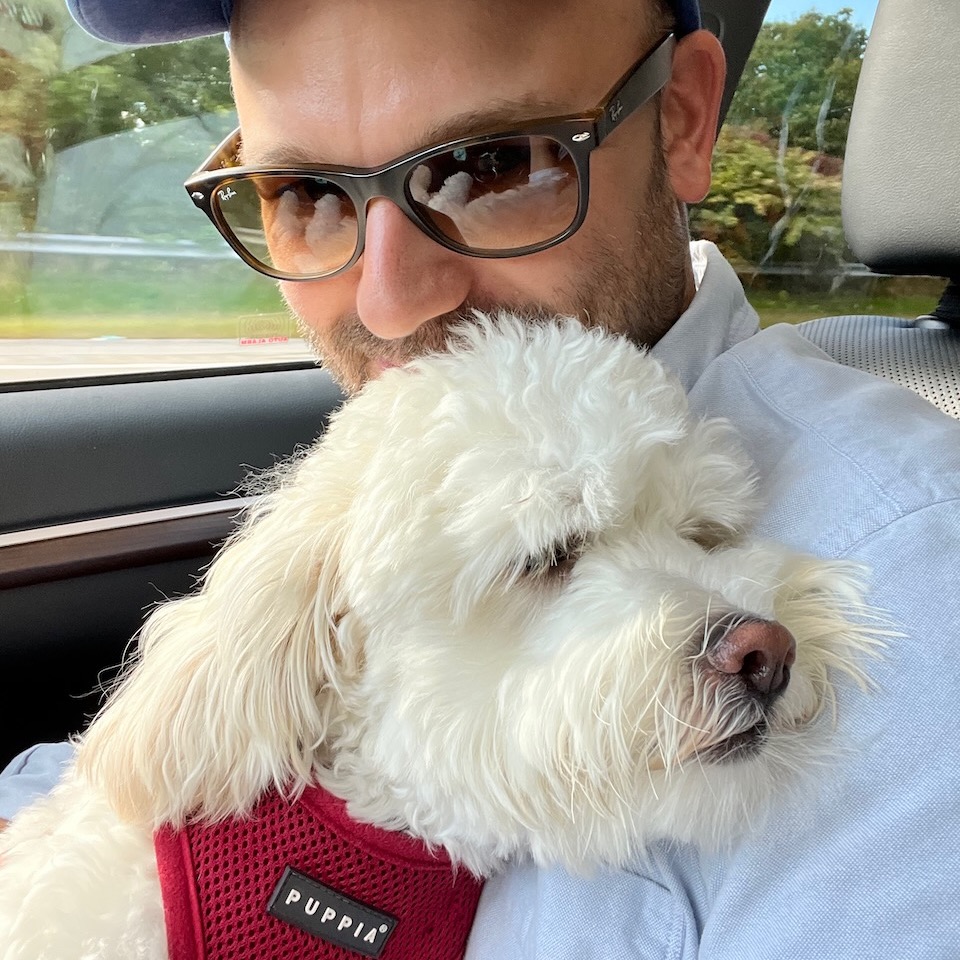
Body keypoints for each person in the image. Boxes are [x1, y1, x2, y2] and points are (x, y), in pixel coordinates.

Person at [2, 0, 959, 956]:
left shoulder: (914, 578)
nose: (387, 299)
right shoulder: (393, 497)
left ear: (681, 121)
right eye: (303, 193)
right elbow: (117, 778)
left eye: (490, 165)